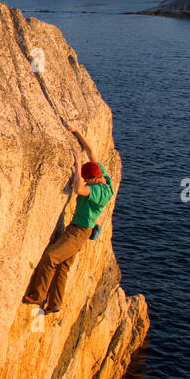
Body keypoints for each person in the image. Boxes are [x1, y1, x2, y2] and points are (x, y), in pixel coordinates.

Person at [22, 126, 114, 319]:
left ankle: (38, 295)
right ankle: (55, 304)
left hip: (79, 232)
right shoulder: (103, 177)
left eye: (88, 180)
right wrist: (78, 132)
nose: (87, 182)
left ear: (93, 179)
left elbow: (79, 189)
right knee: (63, 267)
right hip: (79, 230)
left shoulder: (99, 193)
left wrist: (78, 164)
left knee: (51, 258)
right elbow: (91, 151)